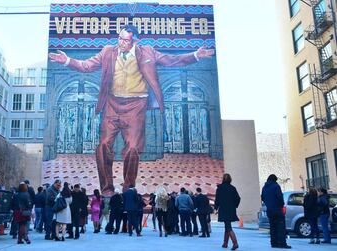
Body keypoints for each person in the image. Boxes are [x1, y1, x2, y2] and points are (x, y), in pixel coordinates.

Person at [49, 25, 214, 195]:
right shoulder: (107, 51)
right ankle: (107, 189)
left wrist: (195, 55)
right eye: (119, 38)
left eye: (125, 40)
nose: (121, 43)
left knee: (133, 148)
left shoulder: (148, 52)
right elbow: (86, 65)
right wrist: (67, 61)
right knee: (103, 146)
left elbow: (172, 60)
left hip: (136, 105)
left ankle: (128, 188)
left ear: (135, 40)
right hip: (112, 104)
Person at [261, 174, 291, 249]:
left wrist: (268, 204)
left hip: (269, 210)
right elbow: (280, 197)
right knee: (280, 227)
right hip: (277, 209)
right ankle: (282, 243)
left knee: (272, 227)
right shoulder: (276, 186)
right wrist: (281, 205)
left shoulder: (264, 187)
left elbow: (263, 198)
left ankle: (274, 243)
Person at [215, 173, 240, 250]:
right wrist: (234, 206)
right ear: (230, 179)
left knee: (228, 227)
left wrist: (216, 207)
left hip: (223, 209)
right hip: (231, 209)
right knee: (227, 226)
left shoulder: (219, 188)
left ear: (223, 179)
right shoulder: (233, 188)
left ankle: (235, 243)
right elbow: (238, 198)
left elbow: (217, 199)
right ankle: (225, 243)